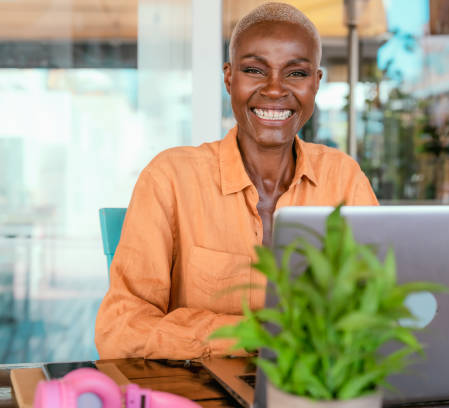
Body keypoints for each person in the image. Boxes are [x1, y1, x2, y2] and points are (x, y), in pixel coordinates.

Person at [95, 2, 378, 360]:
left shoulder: (344, 178)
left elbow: (378, 313)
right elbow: (119, 330)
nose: (275, 90)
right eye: (254, 70)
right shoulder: (170, 178)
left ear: (316, 83)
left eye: (296, 73)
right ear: (229, 77)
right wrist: (253, 335)